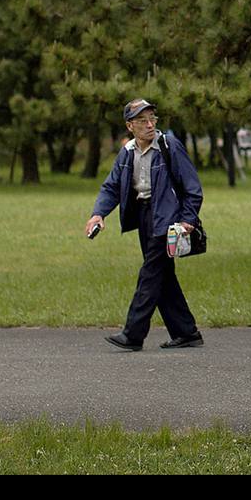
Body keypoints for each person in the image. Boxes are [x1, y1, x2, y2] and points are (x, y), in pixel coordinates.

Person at [84, 98, 205, 351]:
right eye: (142, 121)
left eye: (152, 119)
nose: (150, 125)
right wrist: (99, 214)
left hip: (168, 219)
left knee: (150, 275)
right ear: (130, 126)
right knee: (163, 277)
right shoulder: (127, 152)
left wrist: (188, 220)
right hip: (144, 216)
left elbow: (193, 188)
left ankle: (133, 334)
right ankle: (187, 332)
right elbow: (112, 186)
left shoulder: (169, 146)